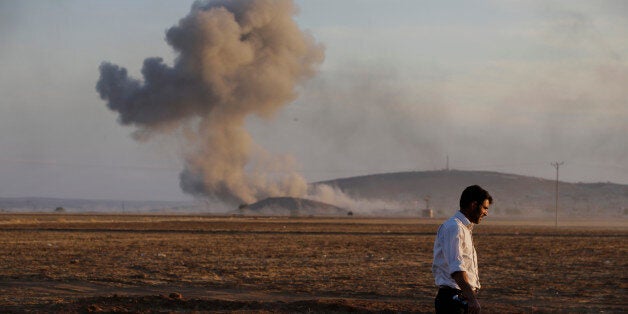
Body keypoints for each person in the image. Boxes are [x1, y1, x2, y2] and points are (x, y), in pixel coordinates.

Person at [432, 185, 492, 314]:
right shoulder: (455, 228)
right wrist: (471, 299)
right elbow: (457, 268)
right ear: (473, 205)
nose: (486, 213)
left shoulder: (463, 228)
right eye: (485, 208)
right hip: (453, 300)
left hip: (461, 297)